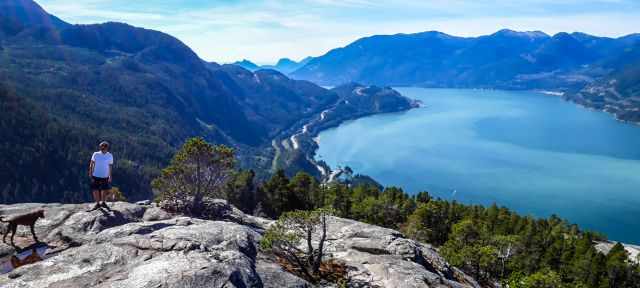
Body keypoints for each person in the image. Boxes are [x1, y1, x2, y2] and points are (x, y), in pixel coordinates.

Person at [88, 141, 114, 211]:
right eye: (101, 147)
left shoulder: (110, 155)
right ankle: (97, 203)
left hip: (105, 175)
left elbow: (110, 166)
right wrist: (90, 172)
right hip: (95, 174)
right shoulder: (95, 154)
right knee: (95, 189)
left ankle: (103, 202)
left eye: (104, 147)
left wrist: (110, 176)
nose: (102, 148)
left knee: (104, 189)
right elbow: (92, 163)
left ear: (107, 148)